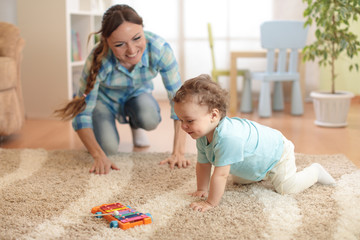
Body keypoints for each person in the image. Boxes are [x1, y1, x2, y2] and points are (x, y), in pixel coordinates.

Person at [54, 4, 189, 174]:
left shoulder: (160, 50)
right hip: (104, 102)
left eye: (137, 38)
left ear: (142, 29)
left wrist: (178, 152)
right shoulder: (97, 60)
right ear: (106, 41)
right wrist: (97, 155)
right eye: (120, 44)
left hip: (137, 95)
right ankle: (104, 137)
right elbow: (82, 113)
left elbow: (179, 101)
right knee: (108, 148)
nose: (132, 50)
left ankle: (136, 124)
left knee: (149, 118)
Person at [173, 74, 336, 212]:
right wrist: (202, 189)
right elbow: (203, 164)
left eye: (189, 120)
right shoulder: (202, 134)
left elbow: (221, 174)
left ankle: (315, 171)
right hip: (254, 159)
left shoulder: (228, 137)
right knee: (238, 180)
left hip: (276, 154)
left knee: (287, 189)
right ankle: (262, 174)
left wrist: (210, 202)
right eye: (181, 120)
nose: (183, 126)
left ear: (214, 116)